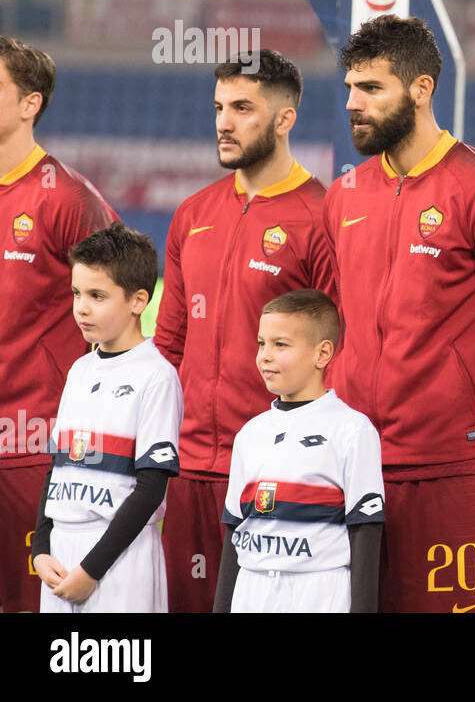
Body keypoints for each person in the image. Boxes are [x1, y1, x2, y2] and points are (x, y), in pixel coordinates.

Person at [324, 13, 475, 613]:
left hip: (448, 468)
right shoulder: (343, 196)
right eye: (349, 88)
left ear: (420, 90)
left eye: (371, 89)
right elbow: (335, 318)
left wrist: (454, 406)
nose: (353, 103)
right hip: (349, 462)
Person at [153, 50, 337, 612]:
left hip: (273, 468)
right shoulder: (192, 213)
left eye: (241, 108)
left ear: (284, 120)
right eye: (217, 108)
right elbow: (168, 343)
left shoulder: (322, 216)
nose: (223, 123)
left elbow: (339, 354)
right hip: (186, 469)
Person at [0, 35, 116, 612]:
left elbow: (122, 297)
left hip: (34, 444)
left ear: (30, 104)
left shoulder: (65, 197)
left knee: (33, 604)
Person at [32, 223, 181, 612]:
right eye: (77, 293)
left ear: (138, 301)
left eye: (97, 296)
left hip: (117, 562)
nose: (82, 307)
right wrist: (40, 548)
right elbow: (57, 469)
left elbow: (151, 489)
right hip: (60, 561)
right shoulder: (79, 370)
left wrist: (92, 570)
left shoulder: (156, 376)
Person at [214, 290, 383, 613]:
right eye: (262, 343)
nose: (265, 355)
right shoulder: (250, 434)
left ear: (322, 354)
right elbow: (234, 532)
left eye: (281, 345)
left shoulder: (352, 430)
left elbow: (365, 532)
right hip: (252, 591)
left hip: (318, 592)